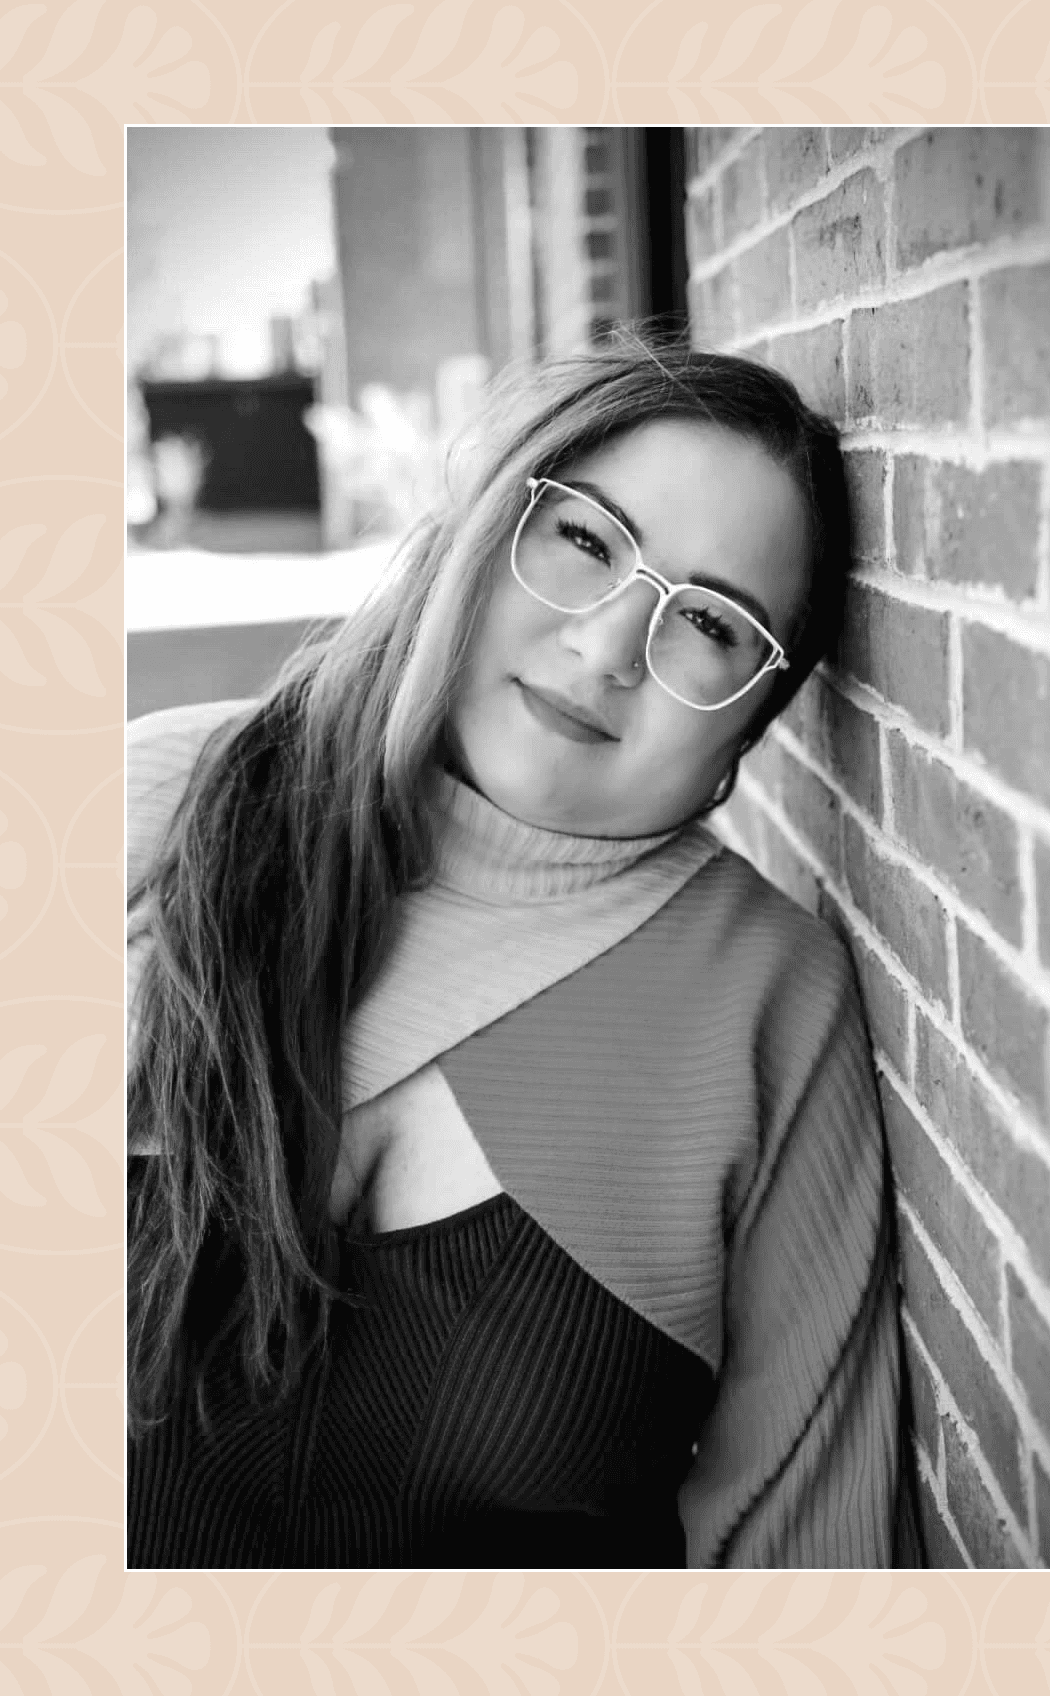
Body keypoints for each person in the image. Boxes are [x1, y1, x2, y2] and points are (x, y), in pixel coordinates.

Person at [126, 336, 910, 1570]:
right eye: (586, 540)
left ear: (746, 735)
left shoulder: (761, 999)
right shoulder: (152, 811)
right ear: (481, 525)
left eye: (710, 623)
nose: (605, 648)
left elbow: (809, 1561)